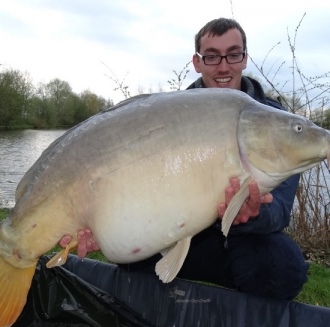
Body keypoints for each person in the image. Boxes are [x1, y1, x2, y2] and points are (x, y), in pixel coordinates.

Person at [60, 18, 309, 300]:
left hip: (239, 243)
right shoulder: (171, 115)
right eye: (212, 56)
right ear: (197, 62)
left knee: (285, 266)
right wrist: (101, 223)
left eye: (233, 54)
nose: (223, 66)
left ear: (244, 59)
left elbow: (280, 211)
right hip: (179, 234)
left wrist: (252, 214)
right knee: (128, 256)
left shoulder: (277, 123)